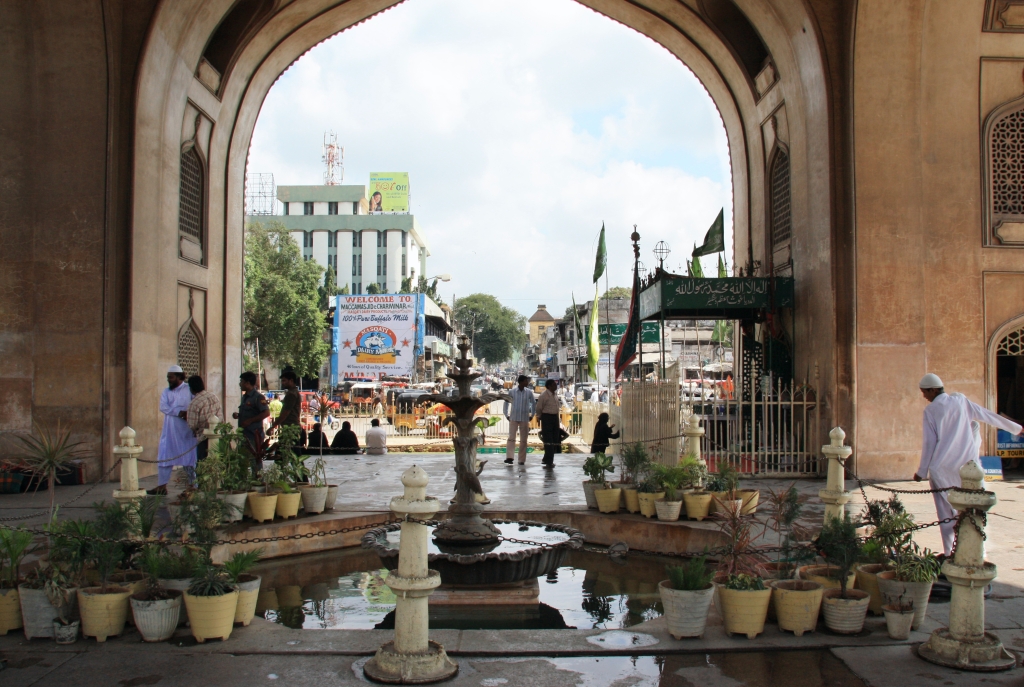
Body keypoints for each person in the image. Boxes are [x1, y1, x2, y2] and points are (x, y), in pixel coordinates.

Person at [914, 373, 1022, 557]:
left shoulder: (931, 411)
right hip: (968, 467)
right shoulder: (961, 401)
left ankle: (950, 552)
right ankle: (977, 551)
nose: (925, 396)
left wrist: (921, 471)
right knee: (972, 509)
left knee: (946, 513)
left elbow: (929, 442)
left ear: (933, 390)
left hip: (941, 468)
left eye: (925, 392)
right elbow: (987, 416)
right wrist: (1016, 428)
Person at [149, 365, 197, 495]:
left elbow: (195, 404)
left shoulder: (189, 390)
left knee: (189, 458)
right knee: (165, 455)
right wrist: (178, 412)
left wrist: (188, 415)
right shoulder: (166, 392)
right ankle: (162, 486)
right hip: (169, 430)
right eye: (168, 377)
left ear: (179, 377)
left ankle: (194, 485)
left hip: (186, 430)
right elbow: (163, 407)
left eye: (171, 377)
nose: (169, 380)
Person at [233, 371, 270, 476]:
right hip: (244, 434)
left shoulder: (258, 397)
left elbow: (266, 412)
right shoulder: (245, 397)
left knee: (255, 460)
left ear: (247, 383)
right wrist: (238, 416)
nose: (240, 384)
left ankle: (258, 482)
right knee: (243, 459)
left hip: (254, 435)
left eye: (241, 381)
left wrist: (250, 421)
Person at [186, 375, 222, 463]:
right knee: (216, 462)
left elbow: (192, 425)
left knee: (203, 464)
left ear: (191, 388)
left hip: (203, 437)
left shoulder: (194, 403)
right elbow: (220, 417)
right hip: (217, 435)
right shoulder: (214, 397)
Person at [504, 374, 536, 465]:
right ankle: (509, 457)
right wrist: (506, 414)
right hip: (514, 417)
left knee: (523, 439)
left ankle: (521, 460)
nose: (527, 382)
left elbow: (534, 403)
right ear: (521, 382)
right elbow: (506, 403)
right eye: (526, 381)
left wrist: (532, 414)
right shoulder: (512, 392)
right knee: (511, 438)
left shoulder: (529, 392)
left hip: (525, 418)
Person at [273, 370, 306, 447]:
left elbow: (286, 412)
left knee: (289, 452)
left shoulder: (291, 394)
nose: (282, 383)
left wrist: (273, 425)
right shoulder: (292, 392)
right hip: (291, 427)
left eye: (284, 381)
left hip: (291, 428)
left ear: (291, 381)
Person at [537, 379, 562, 467]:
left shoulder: (555, 395)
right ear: (550, 386)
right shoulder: (544, 395)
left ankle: (546, 458)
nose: (556, 386)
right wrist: (539, 417)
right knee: (548, 439)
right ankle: (549, 461)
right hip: (547, 417)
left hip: (555, 417)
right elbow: (539, 407)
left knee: (555, 439)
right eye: (554, 384)